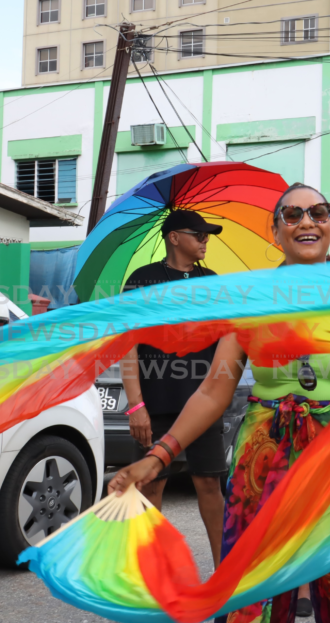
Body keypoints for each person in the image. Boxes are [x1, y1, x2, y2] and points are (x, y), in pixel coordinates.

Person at [109, 184, 330, 623]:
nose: (306, 222)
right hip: (266, 456)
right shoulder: (252, 299)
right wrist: (158, 456)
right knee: (250, 599)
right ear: (276, 232)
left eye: (318, 212)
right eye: (292, 215)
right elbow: (214, 390)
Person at [120, 208, 228, 566]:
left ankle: (223, 571)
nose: (205, 240)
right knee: (150, 485)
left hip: (203, 402)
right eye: (198, 234)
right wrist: (135, 405)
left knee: (210, 485)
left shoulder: (213, 282)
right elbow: (127, 345)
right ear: (174, 237)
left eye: (207, 235)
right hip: (157, 402)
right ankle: (153, 573)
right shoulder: (143, 280)